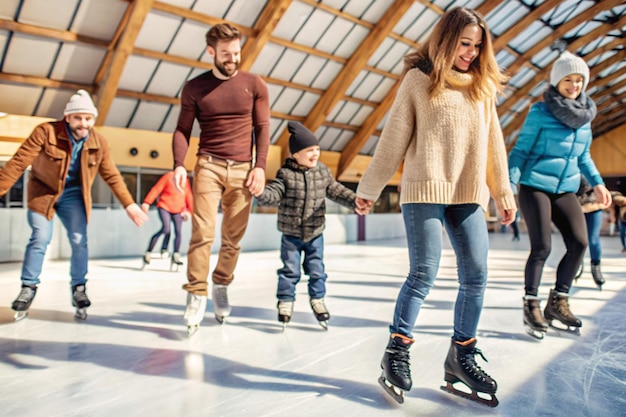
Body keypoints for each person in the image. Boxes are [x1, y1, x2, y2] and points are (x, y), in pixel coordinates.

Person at [355, 7, 515, 407]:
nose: (472, 53)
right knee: (423, 273)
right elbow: (392, 139)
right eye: (465, 44)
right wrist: (369, 187)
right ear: (445, 41)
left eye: (478, 46)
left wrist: (503, 194)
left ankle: (461, 355)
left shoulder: (482, 86)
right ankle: (397, 351)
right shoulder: (418, 80)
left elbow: (495, 145)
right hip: (424, 190)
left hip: (468, 193)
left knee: (476, 274)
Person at [0, 89, 148, 320]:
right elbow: (18, 163)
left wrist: (129, 204)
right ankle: (28, 288)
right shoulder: (46, 132)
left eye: (88, 118)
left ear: (93, 120)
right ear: (67, 117)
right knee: (40, 237)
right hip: (43, 193)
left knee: (80, 241)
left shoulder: (99, 142)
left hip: (74, 196)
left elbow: (112, 175)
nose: (83, 123)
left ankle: (79, 288)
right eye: (78, 117)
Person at [171, 23, 270, 334]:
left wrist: (260, 167)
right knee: (202, 233)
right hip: (208, 166)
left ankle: (221, 284)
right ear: (211, 52)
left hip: (244, 170)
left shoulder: (254, 84)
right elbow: (182, 130)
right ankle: (196, 293)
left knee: (233, 239)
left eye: (237, 52)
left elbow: (262, 128)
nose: (233, 59)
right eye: (226, 53)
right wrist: (177, 164)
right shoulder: (194, 88)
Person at [508, 51, 612, 340]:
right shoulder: (540, 112)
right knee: (541, 246)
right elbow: (520, 152)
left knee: (579, 243)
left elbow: (584, 156)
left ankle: (558, 301)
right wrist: (508, 188)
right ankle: (531, 304)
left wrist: (598, 183)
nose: (574, 85)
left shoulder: (585, 116)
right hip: (535, 186)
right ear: (557, 81)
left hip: (566, 188)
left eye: (579, 80)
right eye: (569, 79)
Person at [253, 121, 369, 330]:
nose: (315, 154)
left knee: (317, 271)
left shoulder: (322, 172)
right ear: (296, 154)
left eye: (317, 149)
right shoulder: (285, 174)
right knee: (290, 271)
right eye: (309, 151)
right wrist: (261, 193)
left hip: (315, 233)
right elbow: (273, 194)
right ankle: (286, 301)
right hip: (291, 235)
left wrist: (355, 201)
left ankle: (317, 299)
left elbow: (336, 190)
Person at [141, 171, 193, 271]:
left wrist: (191, 212)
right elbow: (156, 189)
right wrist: (147, 202)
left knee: (178, 231)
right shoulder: (168, 177)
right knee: (166, 228)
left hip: (178, 209)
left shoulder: (184, 180)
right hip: (164, 206)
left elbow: (188, 195)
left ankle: (176, 255)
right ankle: (149, 252)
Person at [575, 176, 608, 288]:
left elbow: (595, 180)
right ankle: (577, 264)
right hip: (576, 208)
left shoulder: (586, 165)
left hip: (593, 206)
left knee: (593, 239)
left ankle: (596, 267)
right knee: (578, 239)